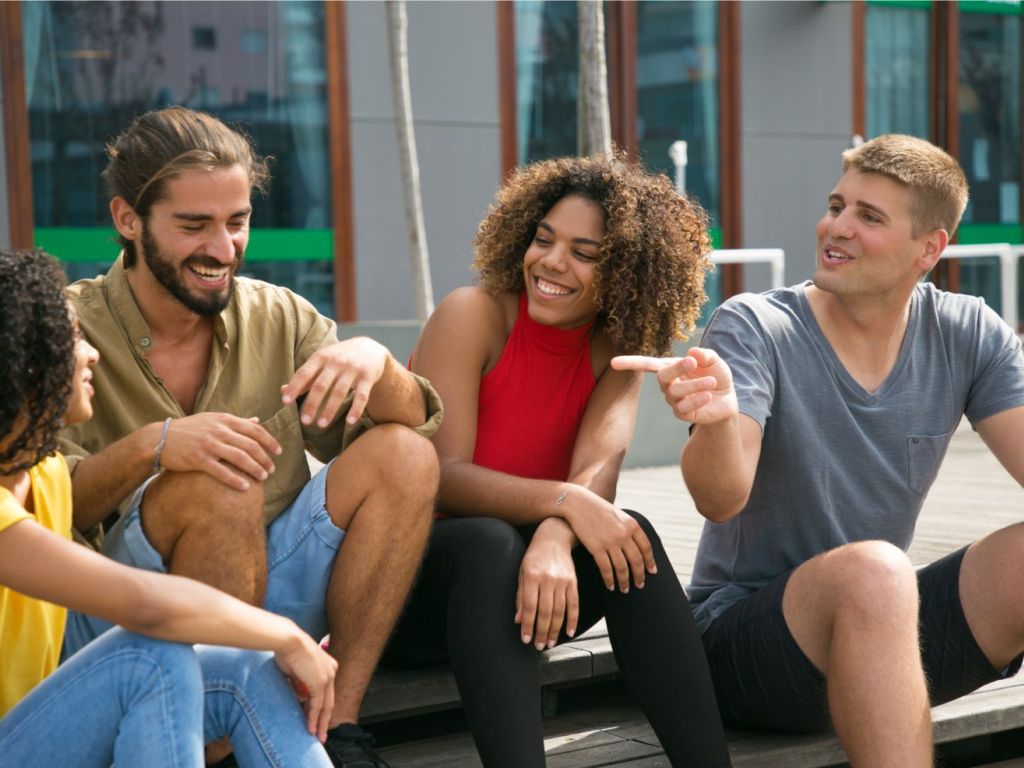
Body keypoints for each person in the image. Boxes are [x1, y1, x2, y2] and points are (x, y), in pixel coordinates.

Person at [614, 134, 1024, 767]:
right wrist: (720, 424)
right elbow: (719, 501)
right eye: (837, 205)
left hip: (880, 628)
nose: (838, 227)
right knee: (876, 570)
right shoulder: (757, 325)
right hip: (742, 642)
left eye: (869, 216)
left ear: (930, 248)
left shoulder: (967, 332)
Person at [58, 107, 442, 768]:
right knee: (216, 481)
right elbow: (40, 505)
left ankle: (340, 726)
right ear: (128, 220)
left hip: (273, 581)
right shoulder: (68, 329)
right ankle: (211, 746)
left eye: (237, 222)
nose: (223, 247)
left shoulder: (280, 314)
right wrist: (156, 443)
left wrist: (376, 362)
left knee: (405, 454)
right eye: (194, 225)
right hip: (123, 613)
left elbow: (419, 424)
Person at [381, 154, 732, 767]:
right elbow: (443, 479)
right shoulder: (474, 314)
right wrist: (562, 507)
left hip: (527, 598)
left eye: (584, 252)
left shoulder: (618, 351)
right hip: (410, 594)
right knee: (490, 543)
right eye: (544, 239)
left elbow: (597, 476)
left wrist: (551, 535)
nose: (550, 262)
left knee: (632, 535)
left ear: (624, 271)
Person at [0, 247, 337, 766]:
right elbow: (142, 604)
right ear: (22, 362)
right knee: (151, 656)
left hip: (51, 711)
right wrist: (286, 634)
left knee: (240, 666)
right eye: (68, 339)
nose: (90, 353)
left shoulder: (42, 473)